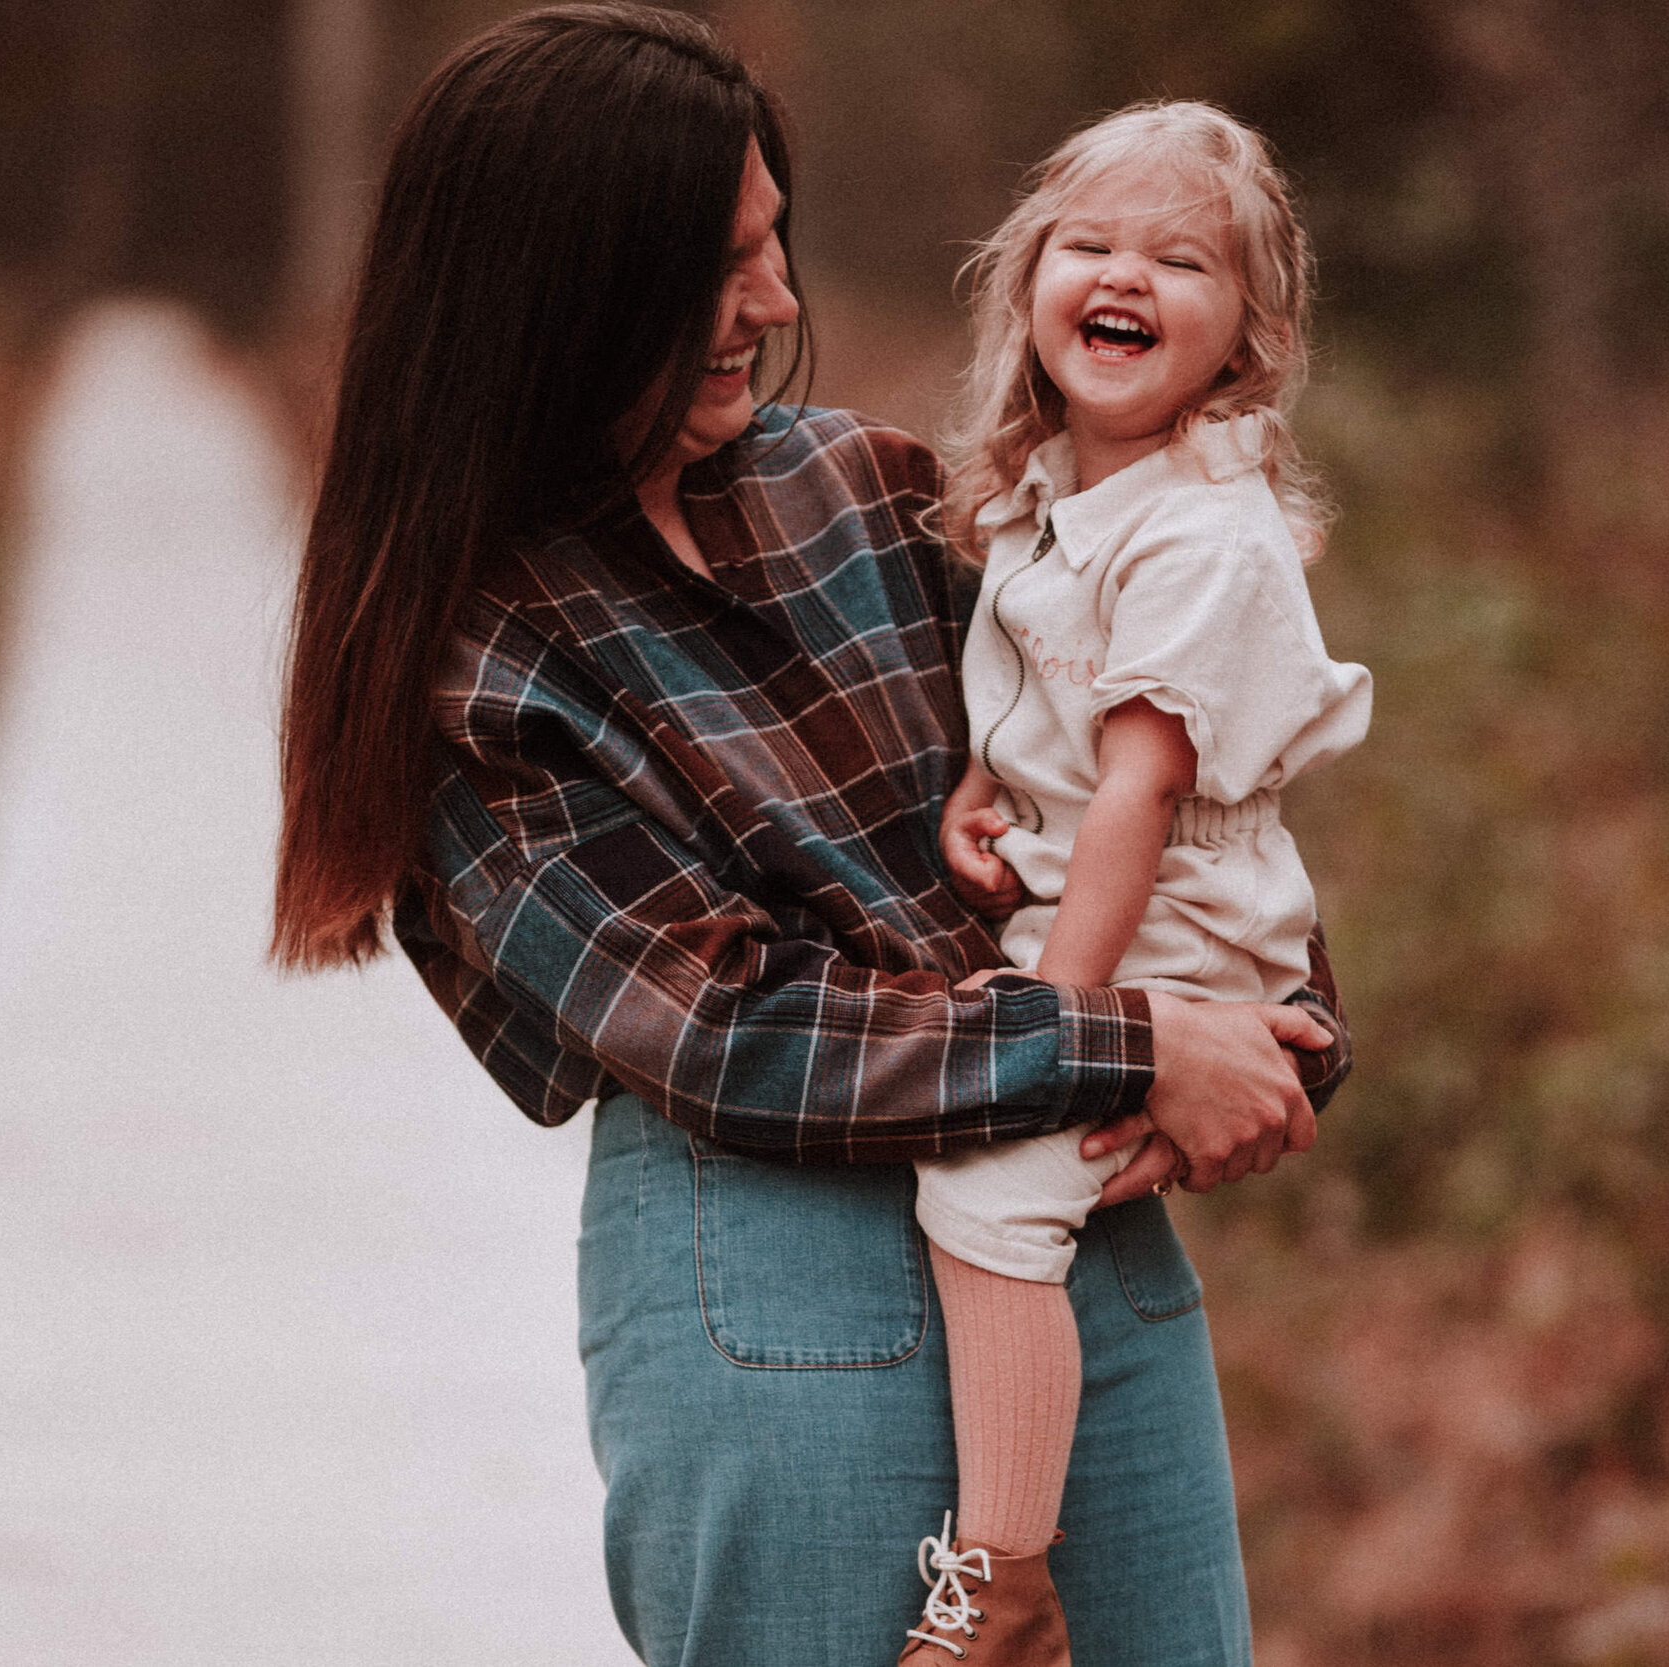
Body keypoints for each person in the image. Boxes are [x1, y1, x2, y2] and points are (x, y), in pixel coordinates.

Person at [269, 9, 1351, 1665]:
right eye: (722, 266)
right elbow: (725, 1028)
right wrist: (1138, 1046)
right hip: (780, 1270)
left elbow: (1155, 765)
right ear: (564, 290)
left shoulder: (865, 482)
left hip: (1065, 1256)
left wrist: (1273, 1032)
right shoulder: (475, 663)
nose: (776, 306)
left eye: (774, 249)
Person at [895, 104, 1372, 1666]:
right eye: (1091, 244)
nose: (1126, 275)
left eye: (1180, 260)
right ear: (1027, 277)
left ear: (1245, 339)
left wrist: (1054, 1016)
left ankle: (1004, 1581)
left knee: (988, 1193)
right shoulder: (1059, 499)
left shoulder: (1199, 535)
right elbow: (1059, 723)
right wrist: (982, 783)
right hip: (1107, 887)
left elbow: (1144, 788)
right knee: (999, 1169)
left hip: (1171, 920)